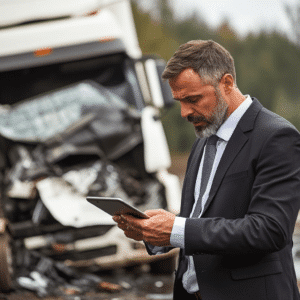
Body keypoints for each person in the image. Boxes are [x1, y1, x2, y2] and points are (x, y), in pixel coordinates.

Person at [113, 40, 300, 300]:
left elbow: (269, 230)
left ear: (226, 83)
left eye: (193, 99)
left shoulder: (276, 137)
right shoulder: (203, 138)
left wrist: (177, 229)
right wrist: (158, 232)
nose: (184, 112)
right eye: (179, 101)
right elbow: (204, 218)